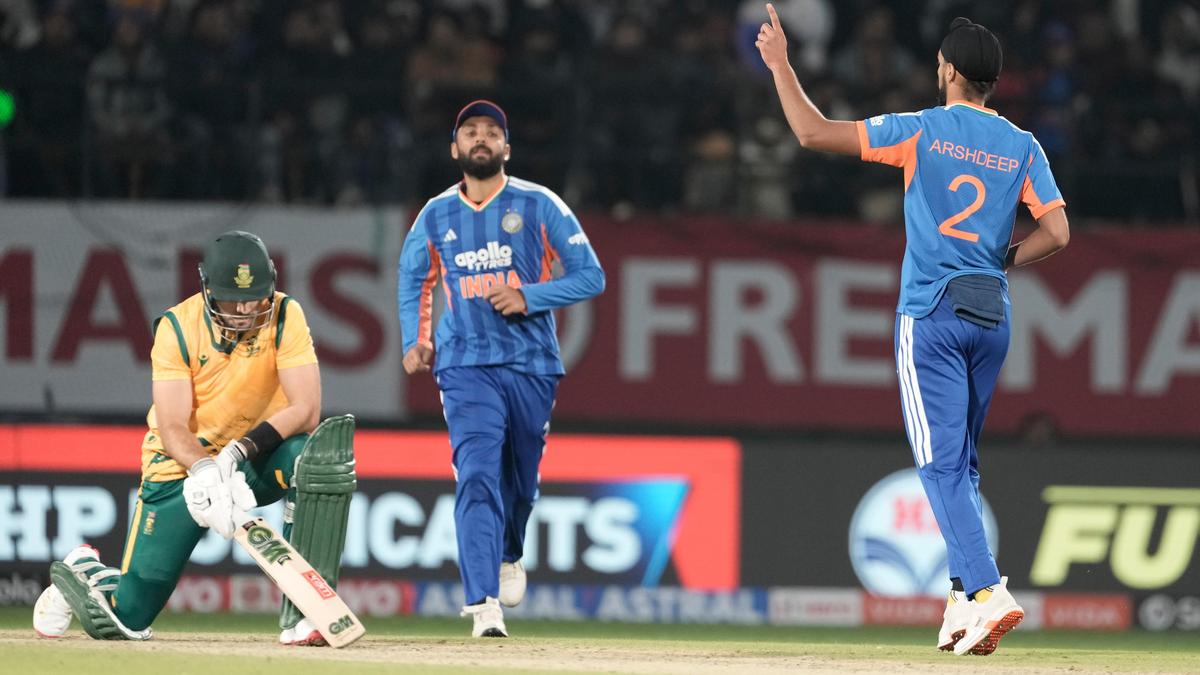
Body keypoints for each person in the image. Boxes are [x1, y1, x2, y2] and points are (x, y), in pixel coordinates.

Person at [757, 5, 1069, 656]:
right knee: (964, 464)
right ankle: (960, 600)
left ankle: (988, 591)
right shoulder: (1023, 145)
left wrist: (781, 66)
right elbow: (1059, 232)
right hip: (992, 311)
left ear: (948, 70)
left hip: (932, 312)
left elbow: (812, 133)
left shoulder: (922, 129)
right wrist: (1004, 258)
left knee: (938, 464)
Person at [32, 231, 358, 646]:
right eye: (232, 300)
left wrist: (238, 452)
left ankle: (307, 613)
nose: (245, 310)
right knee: (127, 620)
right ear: (208, 289)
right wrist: (205, 469)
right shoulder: (176, 328)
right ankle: (87, 572)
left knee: (310, 459)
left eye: (254, 297)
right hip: (181, 470)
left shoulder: (284, 313)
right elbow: (171, 426)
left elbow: (306, 410)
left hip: (251, 460)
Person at [397, 100, 605, 638]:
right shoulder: (435, 214)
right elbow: (414, 277)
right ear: (455, 149)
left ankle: (510, 552)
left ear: (506, 148)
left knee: (521, 481)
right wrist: (416, 340)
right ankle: (482, 603)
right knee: (476, 473)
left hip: (531, 363)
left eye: (492, 132)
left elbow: (591, 276)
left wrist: (528, 296)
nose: (481, 138)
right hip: (464, 363)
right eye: (470, 131)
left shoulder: (539, 204)